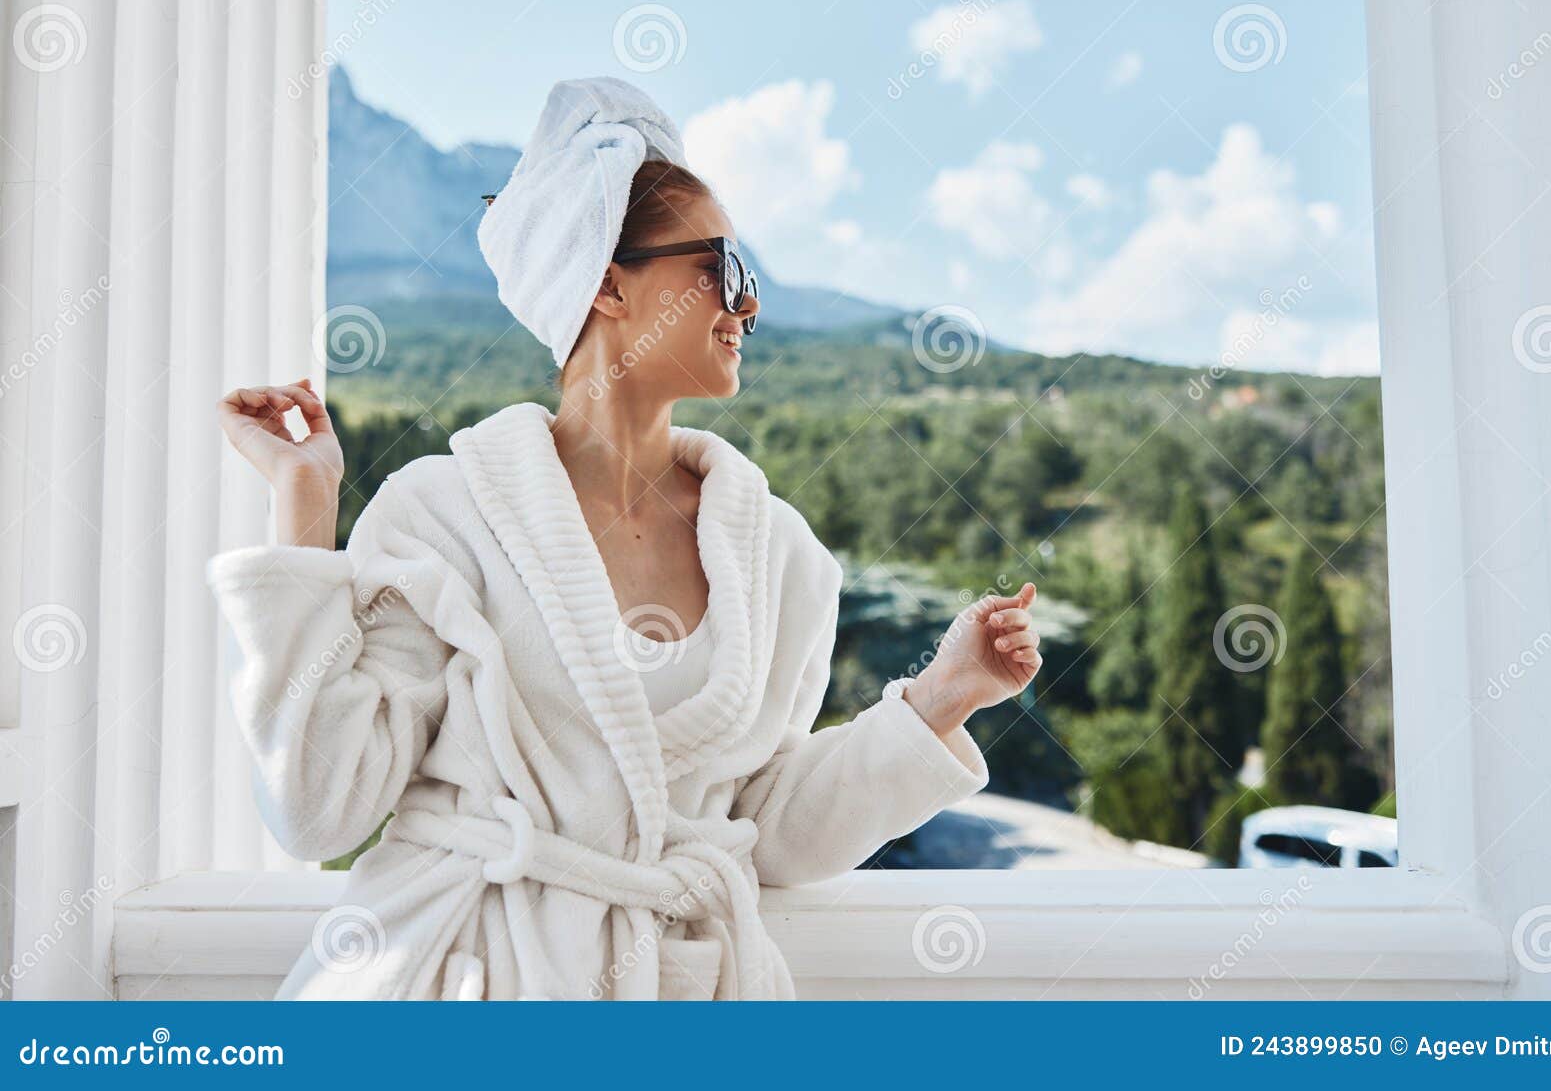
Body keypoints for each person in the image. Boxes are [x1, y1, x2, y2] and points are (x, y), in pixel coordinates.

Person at [207, 76, 1042, 1000]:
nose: (749, 305)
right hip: (455, 984)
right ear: (607, 282)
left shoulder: (781, 557)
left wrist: (941, 698)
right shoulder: (441, 514)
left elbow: (770, 828)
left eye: (751, 276)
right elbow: (318, 810)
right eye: (721, 269)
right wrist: (305, 505)